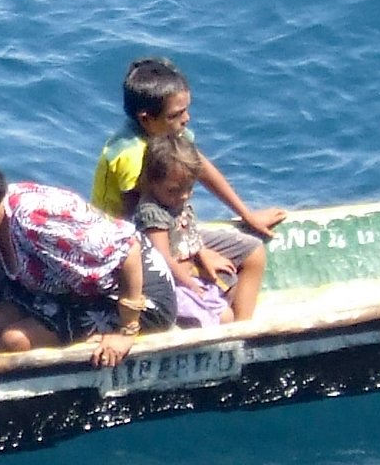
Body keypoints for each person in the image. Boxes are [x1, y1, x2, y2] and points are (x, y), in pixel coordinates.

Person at [0, 155, 153, 366]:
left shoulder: (32, 220)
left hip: (134, 294)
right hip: (73, 296)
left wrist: (127, 331)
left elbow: (129, 249)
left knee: (14, 341)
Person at [91, 60, 284, 298]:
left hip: (172, 231)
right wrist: (198, 255)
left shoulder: (170, 132)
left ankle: (242, 331)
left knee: (253, 252)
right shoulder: (131, 157)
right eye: (177, 114)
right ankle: (228, 329)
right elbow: (142, 228)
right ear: (146, 119)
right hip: (135, 246)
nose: (187, 118)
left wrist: (248, 216)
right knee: (225, 280)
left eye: (186, 109)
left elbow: (202, 168)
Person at [129, 132, 262, 324]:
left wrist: (203, 258)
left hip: (186, 266)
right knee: (222, 317)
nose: (183, 196)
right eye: (174, 190)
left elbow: (189, 235)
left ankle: (240, 331)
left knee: (229, 293)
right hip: (170, 282)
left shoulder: (176, 202)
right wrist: (191, 284)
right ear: (152, 181)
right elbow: (163, 258)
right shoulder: (152, 212)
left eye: (189, 189)